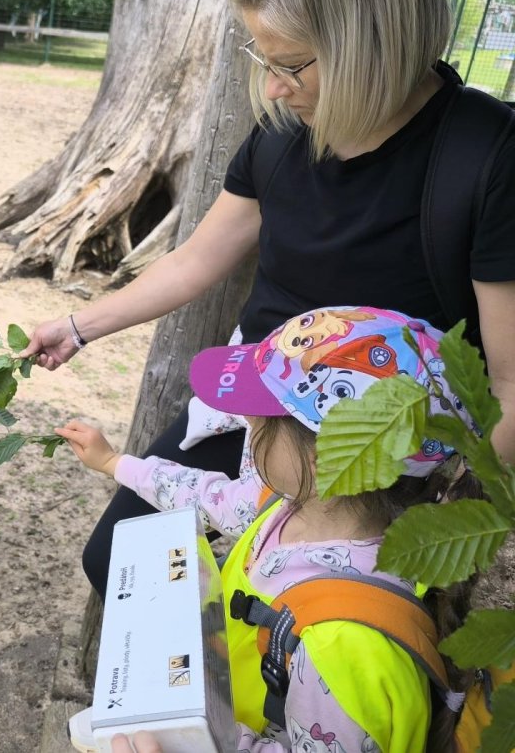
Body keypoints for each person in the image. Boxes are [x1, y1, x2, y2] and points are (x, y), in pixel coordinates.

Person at [21, 0, 515, 601]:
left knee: (319, 618)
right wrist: (77, 326)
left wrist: (447, 519)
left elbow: (508, 384)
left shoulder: (487, 158)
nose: (274, 89)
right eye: (264, 57)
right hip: (257, 395)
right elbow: (197, 259)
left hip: (387, 460)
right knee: (124, 565)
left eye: (293, 64)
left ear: (376, 42)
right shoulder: (283, 135)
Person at [60, 306, 480, 753]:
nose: (247, 419)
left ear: (328, 460)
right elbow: (205, 495)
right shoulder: (286, 505)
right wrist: (115, 463)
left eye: (262, 413)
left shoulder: (344, 648)